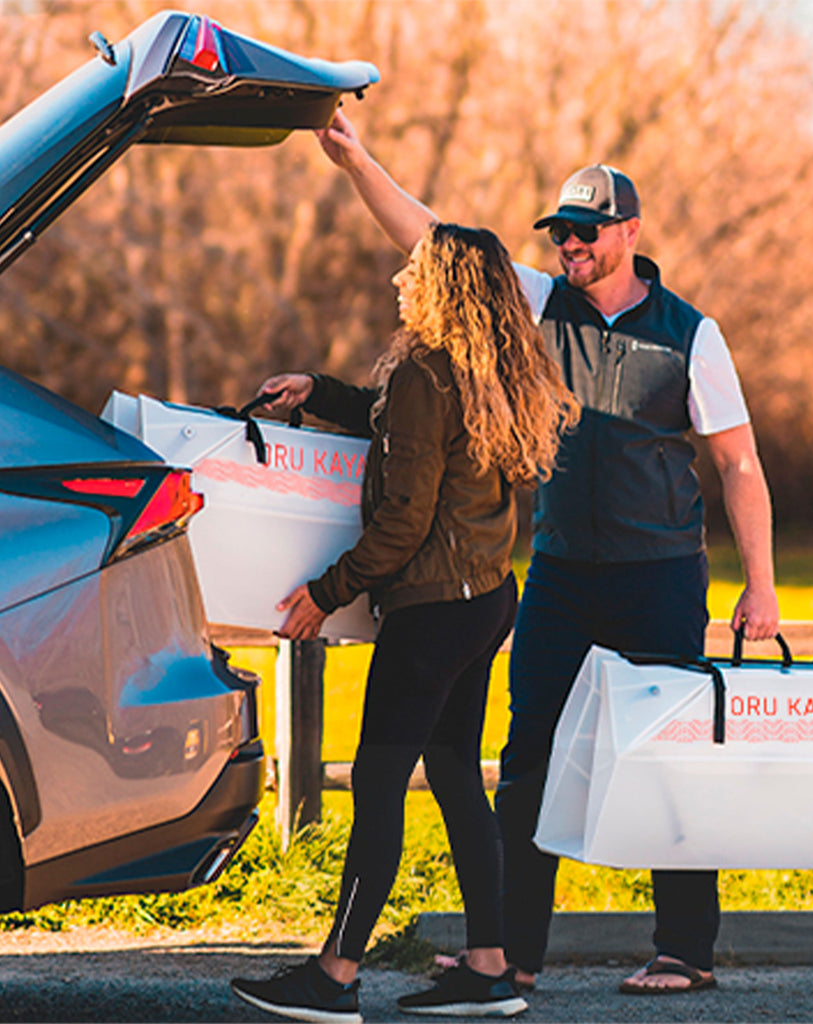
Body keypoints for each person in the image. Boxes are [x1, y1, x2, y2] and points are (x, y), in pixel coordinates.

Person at [314, 109, 780, 996]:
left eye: (587, 232)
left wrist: (761, 587)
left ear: (630, 234)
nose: (570, 244)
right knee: (528, 756)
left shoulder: (693, 335)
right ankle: (512, 953)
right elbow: (431, 242)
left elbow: (738, 463)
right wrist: (355, 161)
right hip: (560, 573)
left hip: (661, 577)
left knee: (668, 755)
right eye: (561, 231)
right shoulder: (534, 305)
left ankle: (684, 949)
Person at [230, 222, 579, 1022]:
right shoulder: (485, 370)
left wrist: (327, 591)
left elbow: (402, 521)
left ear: (443, 286)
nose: (399, 280)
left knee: (381, 782)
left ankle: (337, 974)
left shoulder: (429, 371)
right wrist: (320, 393)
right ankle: (489, 966)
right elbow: (401, 432)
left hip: (433, 614)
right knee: (457, 775)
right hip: (486, 599)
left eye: (413, 270)